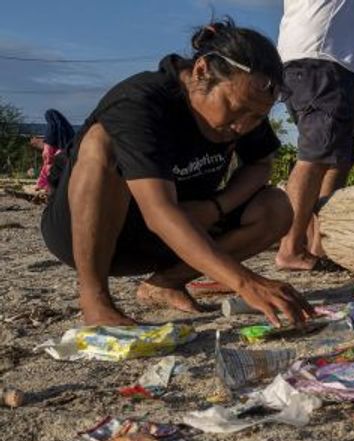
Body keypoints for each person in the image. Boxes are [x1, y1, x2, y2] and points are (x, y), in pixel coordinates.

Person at [39, 19, 314, 327]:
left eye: (257, 116)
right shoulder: (140, 102)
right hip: (89, 231)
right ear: (201, 71)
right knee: (101, 141)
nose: (243, 125)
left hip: (177, 232)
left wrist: (215, 207)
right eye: (235, 109)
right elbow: (158, 212)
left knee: (276, 207)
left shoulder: (248, 103)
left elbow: (262, 164)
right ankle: (94, 297)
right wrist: (245, 283)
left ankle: (165, 282)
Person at [276, 0, 354, 270]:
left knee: (338, 158)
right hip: (321, 56)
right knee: (317, 155)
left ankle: (317, 245)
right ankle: (290, 247)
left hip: (323, 58)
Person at [35, 109, 74, 193]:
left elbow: (47, 154)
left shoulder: (51, 131)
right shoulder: (68, 131)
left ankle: (46, 187)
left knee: (49, 170)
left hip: (54, 162)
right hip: (65, 158)